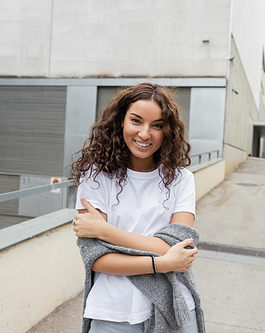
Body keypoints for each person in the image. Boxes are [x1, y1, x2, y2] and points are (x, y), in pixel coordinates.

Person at [70, 82, 206, 333]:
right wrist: (162, 264)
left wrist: (106, 232)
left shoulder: (181, 179)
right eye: (136, 121)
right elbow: (97, 259)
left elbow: (178, 246)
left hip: (176, 310)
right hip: (112, 313)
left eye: (157, 125)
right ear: (120, 121)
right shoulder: (96, 177)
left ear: (168, 131)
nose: (145, 134)